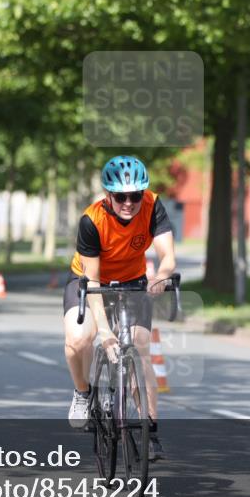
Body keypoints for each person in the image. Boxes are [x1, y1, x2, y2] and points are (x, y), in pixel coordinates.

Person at [63, 155, 177, 460]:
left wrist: (162, 277)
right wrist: (105, 333)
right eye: (121, 196)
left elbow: (168, 256)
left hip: (133, 280)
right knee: (78, 339)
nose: (129, 202)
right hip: (89, 281)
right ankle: (83, 392)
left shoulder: (153, 206)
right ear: (108, 196)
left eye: (135, 195)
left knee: (140, 348)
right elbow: (93, 279)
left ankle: (149, 431)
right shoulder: (92, 221)